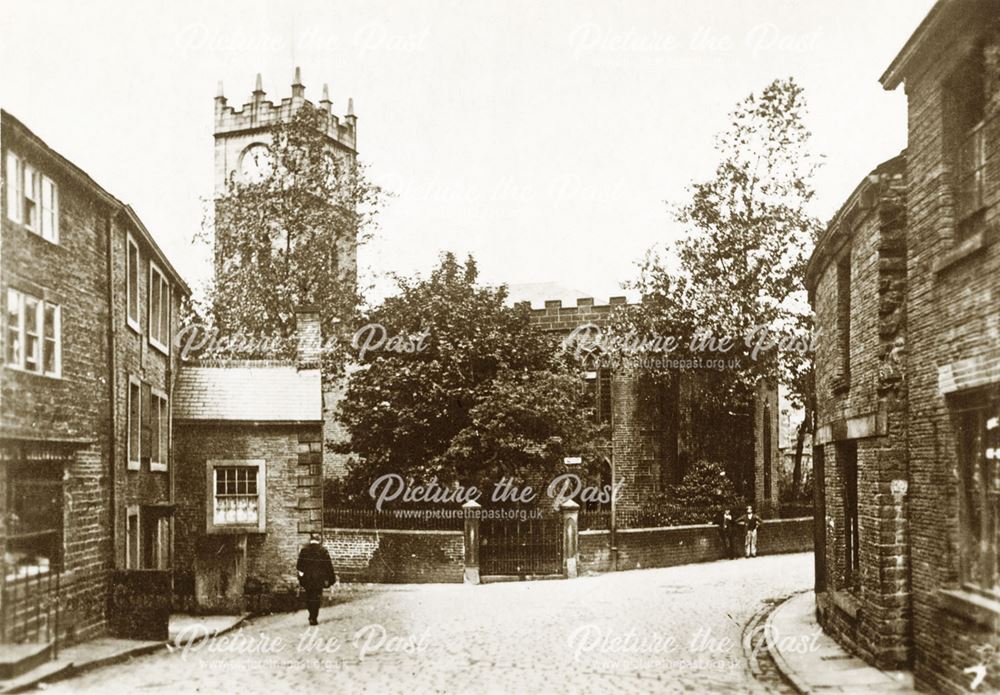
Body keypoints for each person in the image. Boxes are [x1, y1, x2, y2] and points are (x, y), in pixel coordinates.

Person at [297, 532, 336, 625]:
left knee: (309, 597)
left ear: (310, 540)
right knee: (317, 597)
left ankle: (311, 615)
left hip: (308, 579)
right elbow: (328, 566)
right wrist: (331, 579)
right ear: (319, 540)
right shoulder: (323, 551)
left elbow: (299, 566)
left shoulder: (304, 550)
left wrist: (301, 578)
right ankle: (314, 617)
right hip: (319, 579)